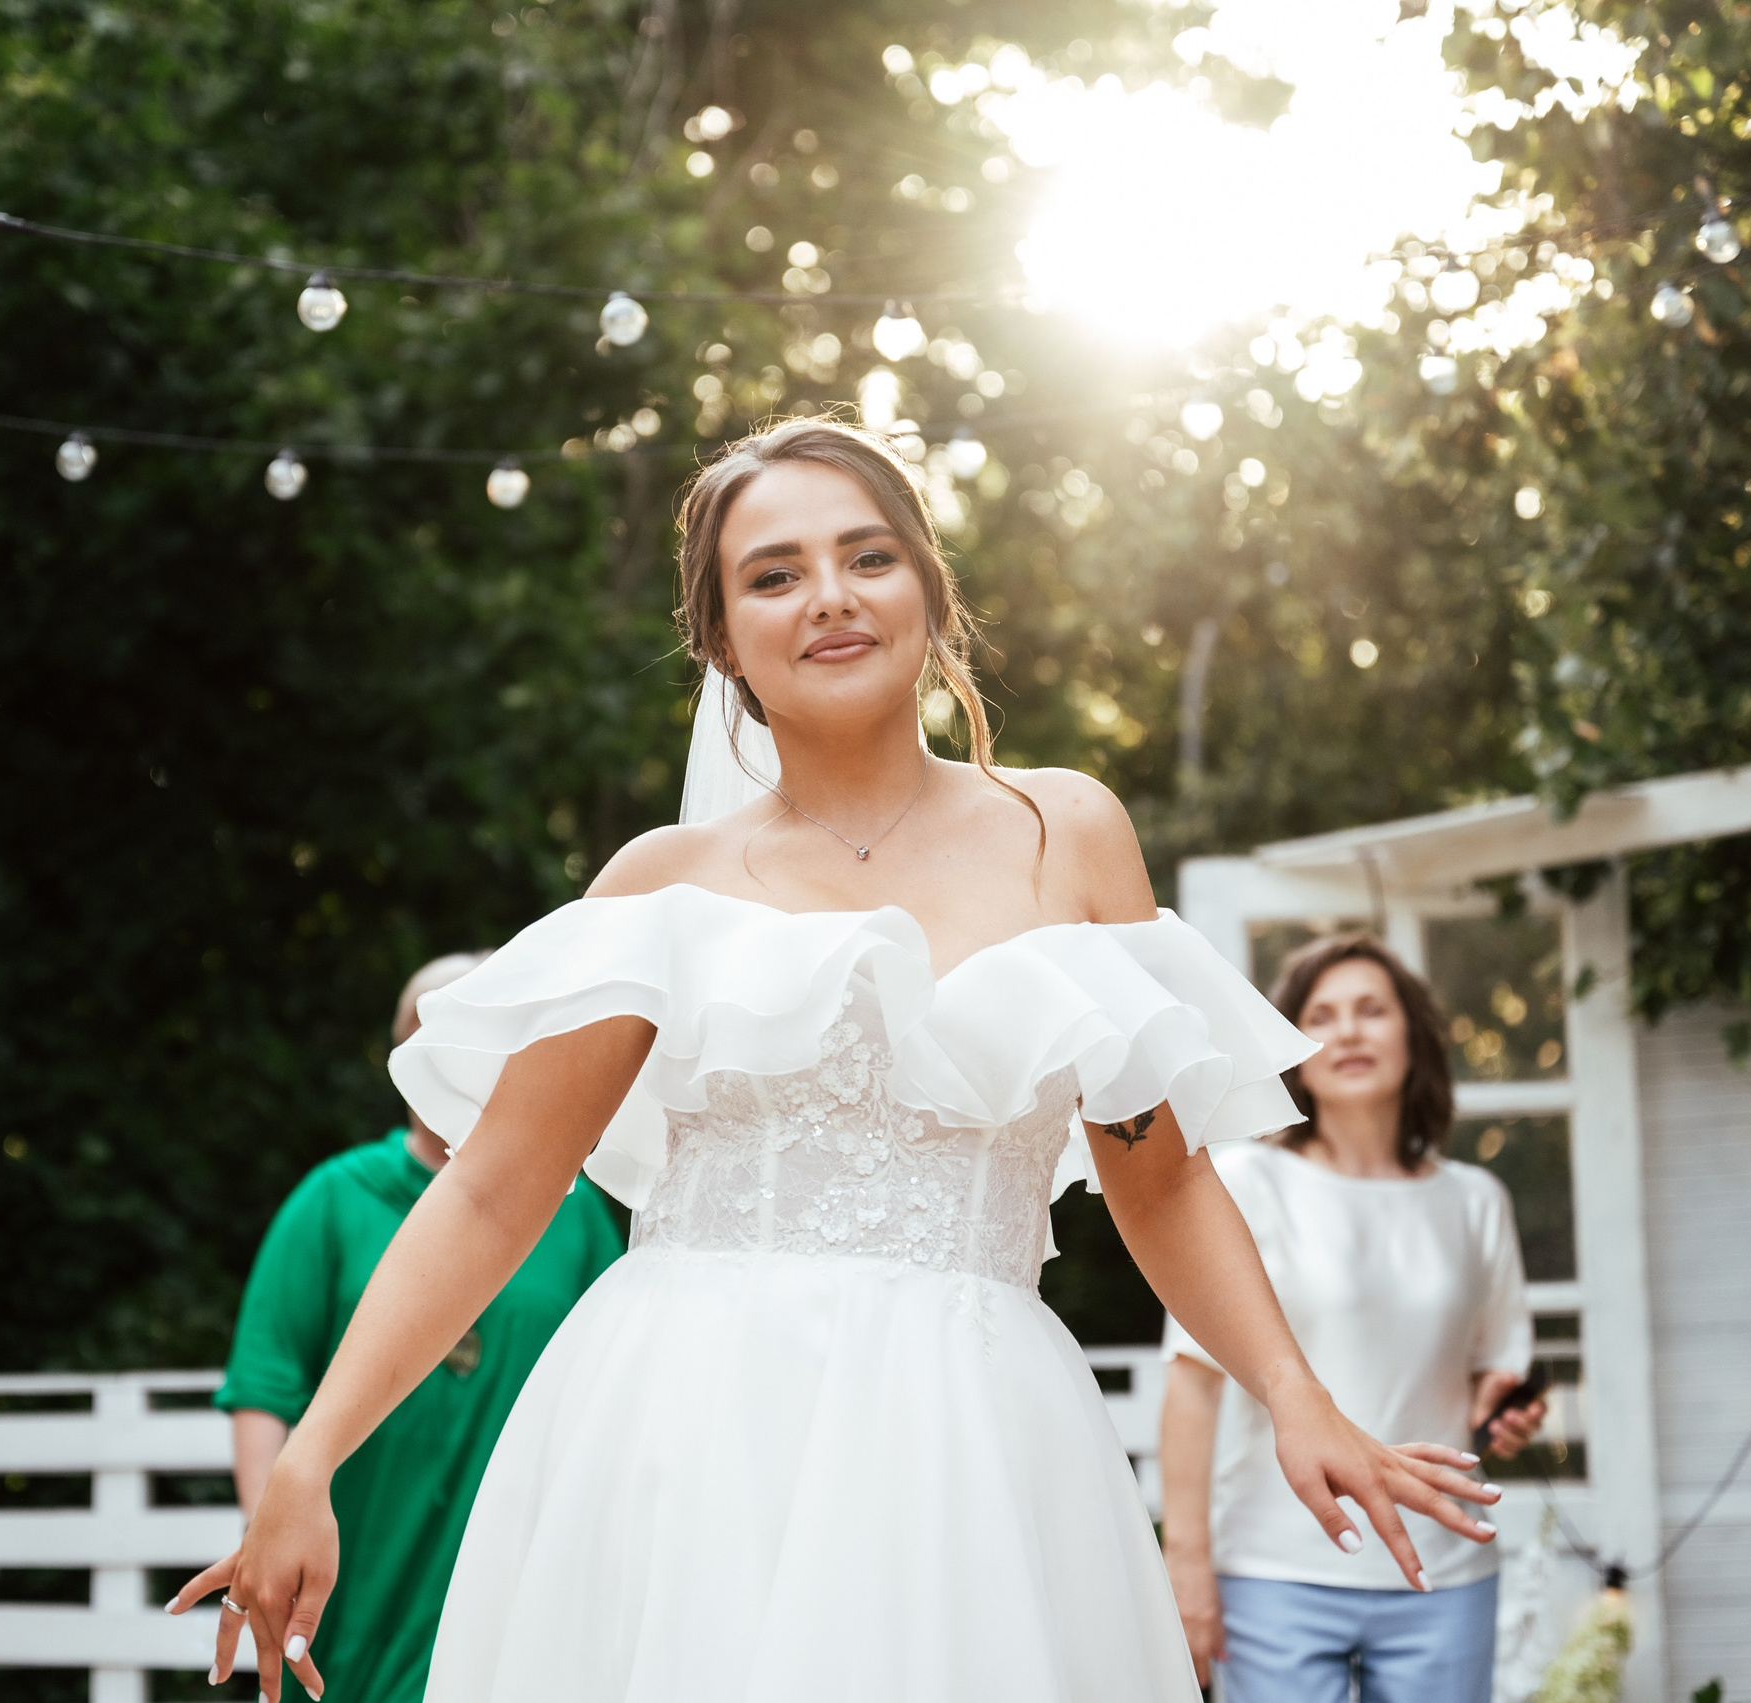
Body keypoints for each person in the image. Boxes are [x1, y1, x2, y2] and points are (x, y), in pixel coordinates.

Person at [171, 416, 1501, 1702]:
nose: (830, 596)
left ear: (928, 586)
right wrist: (311, 1458)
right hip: (691, 1429)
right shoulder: (661, 880)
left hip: (969, 1434)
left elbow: (1159, 1179)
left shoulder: (1067, 832)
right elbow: (489, 1188)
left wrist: (1292, 1389)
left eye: (868, 555)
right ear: (720, 636)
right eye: (774, 574)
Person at [212, 953, 626, 1703]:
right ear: (401, 1050)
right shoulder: (334, 1199)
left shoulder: (575, 1212)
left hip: (511, 1535)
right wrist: (267, 1531)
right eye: (434, 1028)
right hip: (364, 1540)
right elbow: (265, 1387)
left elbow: (614, 1381)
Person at [1159, 934, 1544, 1703]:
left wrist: (1508, 1413)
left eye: (1372, 1009)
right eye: (1323, 1015)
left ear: (1413, 1035)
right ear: (1294, 1049)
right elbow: (1193, 1387)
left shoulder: (1475, 1200)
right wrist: (1186, 1562)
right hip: (1273, 1569)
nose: (1350, 1031)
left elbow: (1494, 1374)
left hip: (1445, 1567)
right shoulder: (1246, 1182)